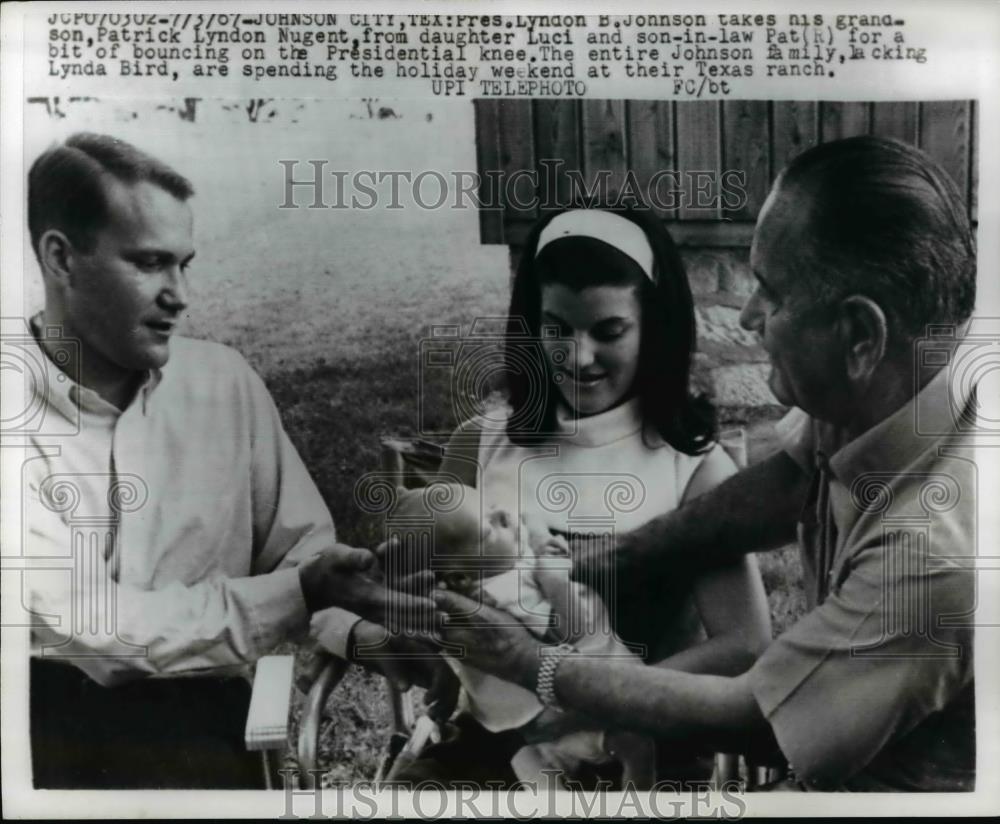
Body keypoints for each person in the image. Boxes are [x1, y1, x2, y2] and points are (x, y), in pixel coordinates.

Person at [428, 136, 979, 791]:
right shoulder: (887, 382)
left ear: (860, 336)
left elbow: (763, 718)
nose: (745, 316)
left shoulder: (937, 549)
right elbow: (791, 480)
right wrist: (597, 563)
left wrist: (538, 669)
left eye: (769, 296)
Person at [16, 133, 434, 789]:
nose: (180, 295)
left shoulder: (224, 384)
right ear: (61, 258)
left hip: (207, 724)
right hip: (48, 738)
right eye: (151, 263)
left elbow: (306, 559)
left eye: (185, 264)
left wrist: (380, 635)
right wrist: (300, 592)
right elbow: (95, 635)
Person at [387, 205, 772, 787]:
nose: (579, 356)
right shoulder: (482, 443)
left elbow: (744, 644)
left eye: (609, 331)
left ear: (653, 329)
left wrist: (587, 702)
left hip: (635, 742)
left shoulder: (691, 470)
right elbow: (422, 601)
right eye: (557, 328)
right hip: (494, 740)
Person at [391, 482, 655, 787]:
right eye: (490, 527)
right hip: (573, 710)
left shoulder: (497, 562)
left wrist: (539, 538)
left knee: (533, 768)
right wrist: (555, 582)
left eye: (492, 507)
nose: (505, 514)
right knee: (637, 745)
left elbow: (527, 514)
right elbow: (572, 631)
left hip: (521, 733)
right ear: (461, 577)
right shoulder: (503, 593)